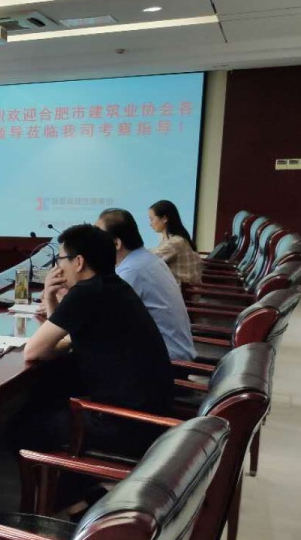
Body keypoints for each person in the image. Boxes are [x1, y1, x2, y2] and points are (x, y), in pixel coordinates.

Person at [22, 224, 174, 466]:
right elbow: (63, 338)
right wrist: (50, 297)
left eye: (60, 259)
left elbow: (34, 351)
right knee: (52, 393)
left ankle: (72, 489)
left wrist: (55, 302)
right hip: (150, 414)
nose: (58, 267)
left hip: (127, 424)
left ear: (78, 262)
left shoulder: (86, 293)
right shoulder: (113, 285)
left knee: (25, 425)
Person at [96, 208, 196, 362]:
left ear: (116, 243)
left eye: (97, 237)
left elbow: (104, 321)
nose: (92, 243)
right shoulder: (146, 259)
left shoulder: (133, 271)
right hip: (171, 352)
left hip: (166, 362)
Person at [148, 199, 202, 285]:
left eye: (151, 219)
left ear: (164, 219)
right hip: (178, 288)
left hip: (182, 291)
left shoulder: (175, 242)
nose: (150, 224)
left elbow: (147, 259)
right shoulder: (171, 238)